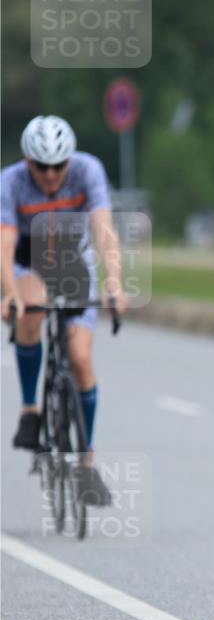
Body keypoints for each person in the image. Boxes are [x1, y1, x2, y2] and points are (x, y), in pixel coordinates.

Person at [1, 115, 127, 503]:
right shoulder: (10, 182)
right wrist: (9, 293)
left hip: (72, 261)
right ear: (28, 161)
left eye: (59, 165)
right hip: (28, 261)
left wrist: (113, 282)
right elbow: (4, 246)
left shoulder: (88, 170)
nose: (52, 174)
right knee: (30, 308)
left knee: (80, 358)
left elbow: (104, 230)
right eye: (42, 166)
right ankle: (29, 408)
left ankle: (86, 464)